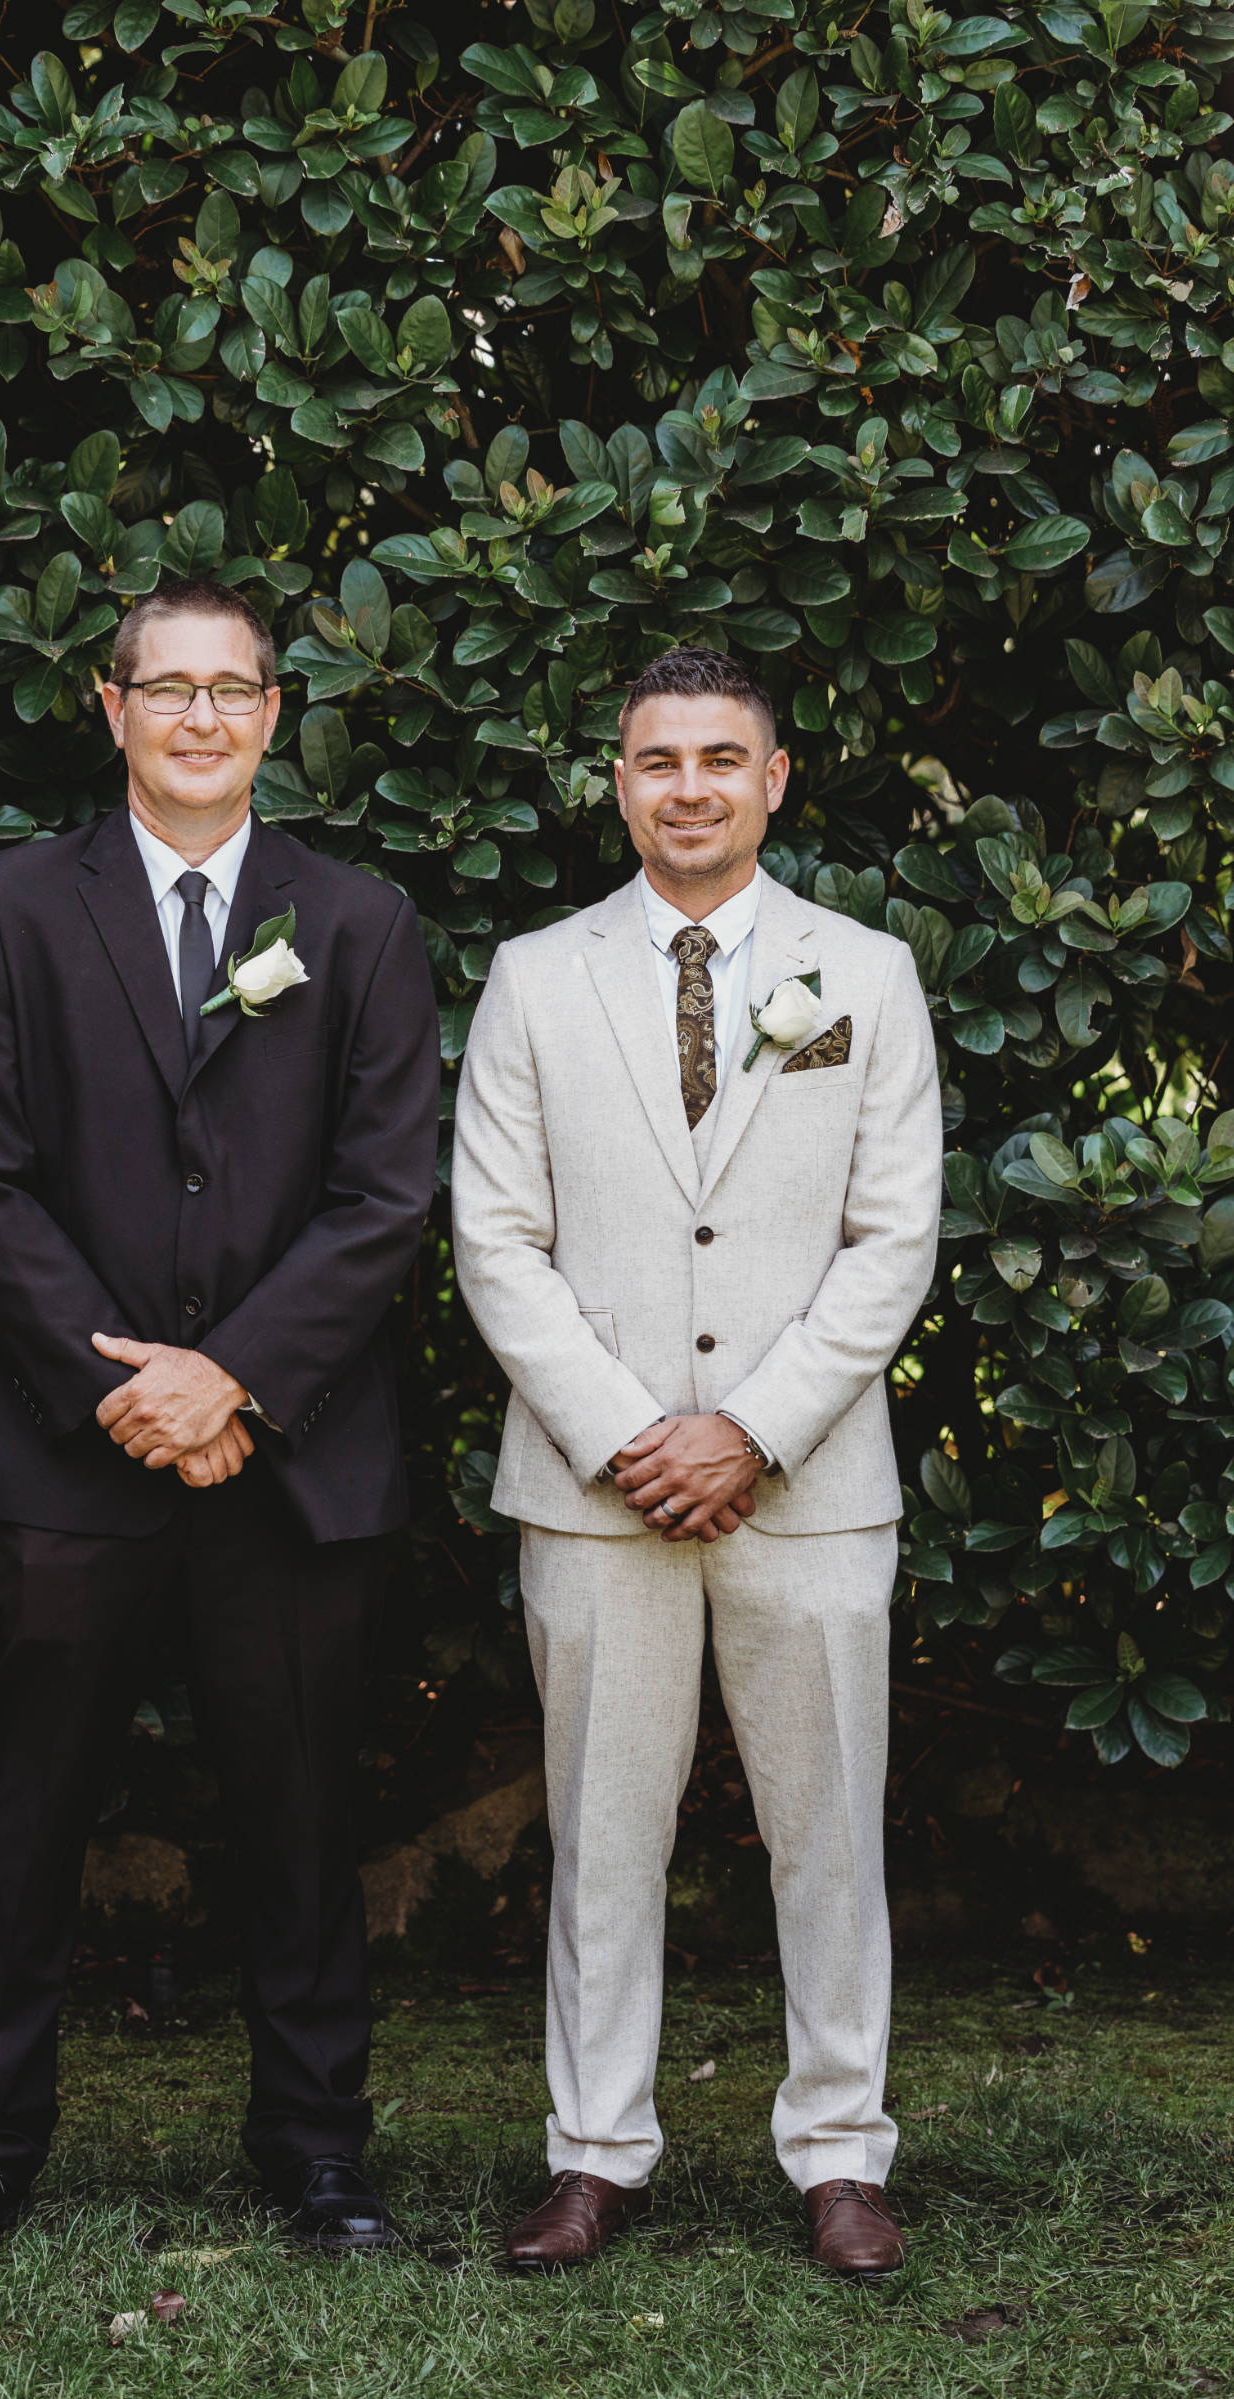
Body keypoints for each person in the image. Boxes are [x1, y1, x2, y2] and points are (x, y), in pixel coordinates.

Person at [0, 580, 439, 2266]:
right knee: (28, 1806)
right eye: (169, 688)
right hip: (66, 1446)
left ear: (277, 716)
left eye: (236, 691)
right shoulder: (9, 908)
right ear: (109, 707)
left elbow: (387, 1189)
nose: (203, 718)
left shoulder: (355, 920)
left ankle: (318, 2148)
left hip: (286, 1449)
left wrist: (239, 1381)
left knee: (299, 1813)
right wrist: (129, 1385)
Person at [452, 646, 942, 2277]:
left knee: (832, 1832)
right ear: (617, 779)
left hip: (809, 1483)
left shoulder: (864, 972)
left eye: (722, 759)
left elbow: (893, 1239)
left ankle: (841, 2153)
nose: (689, 788)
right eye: (658, 760)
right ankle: (593, 2154)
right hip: (595, 1493)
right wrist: (626, 1432)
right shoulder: (535, 975)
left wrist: (751, 1428)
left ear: (776, 780)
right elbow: (497, 1242)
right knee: (600, 1832)